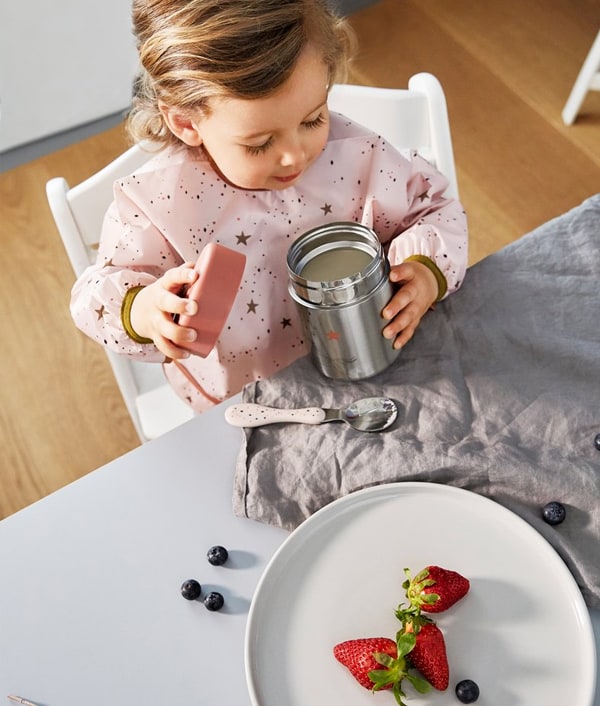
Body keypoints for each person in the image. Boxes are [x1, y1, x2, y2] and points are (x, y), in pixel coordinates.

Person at [70, 0, 468, 413]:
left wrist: (423, 270)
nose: (295, 156)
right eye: (260, 143)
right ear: (187, 123)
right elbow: (92, 298)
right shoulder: (157, 202)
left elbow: (435, 209)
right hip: (250, 403)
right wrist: (144, 310)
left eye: (313, 119)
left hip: (376, 366)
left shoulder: (357, 153)